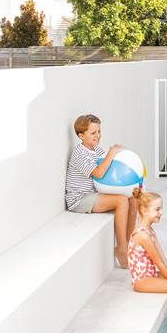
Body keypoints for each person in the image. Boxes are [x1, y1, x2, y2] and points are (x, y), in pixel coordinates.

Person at [64, 113, 137, 268]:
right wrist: (111, 152)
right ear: (81, 135)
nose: (97, 135)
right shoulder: (79, 154)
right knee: (122, 201)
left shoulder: (96, 150)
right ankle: (121, 249)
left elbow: (109, 170)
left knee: (132, 198)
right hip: (80, 199)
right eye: (93, 133)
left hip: (94, 193)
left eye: (99, 131)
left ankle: (129, 245)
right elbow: (99, 173)